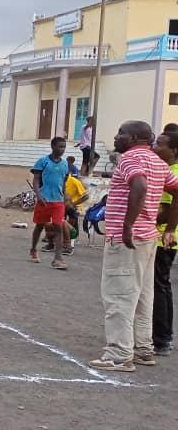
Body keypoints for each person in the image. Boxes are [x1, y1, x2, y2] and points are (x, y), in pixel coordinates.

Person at [90, 121, 178, 372]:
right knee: (142, 296)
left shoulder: (129, 159)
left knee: (119, 295)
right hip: (149, 239)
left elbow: (139, 185)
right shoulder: (158, 162)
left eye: (122, 133)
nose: (117, 137)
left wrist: (127, 225)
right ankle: (143, 349)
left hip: (126, 239)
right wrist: (170, 228)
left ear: (136, 137)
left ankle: (118, 353)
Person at [152, 131, 178, 357]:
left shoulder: (171, 173)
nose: (155, 147)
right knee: (163, 285)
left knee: (157, 287)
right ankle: (164, 336)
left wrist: (143, 215)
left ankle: (160, 338)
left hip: (162, 238)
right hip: (168, 237)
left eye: (160, 144)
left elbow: (167, 211)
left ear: (174, 151)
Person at [30, 137, 69, 269]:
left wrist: (64, 197)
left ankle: (58, 257)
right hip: (44, 200)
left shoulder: (64, 164)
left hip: (58, 201)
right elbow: (36, 180)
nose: (62, 150)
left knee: (58, 226)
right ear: (53, 146)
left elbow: (63, 182)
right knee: (40, 226)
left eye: (64, 147)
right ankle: (33, 248)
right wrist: (38, 195)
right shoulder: (43, 162)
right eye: (59, 146)